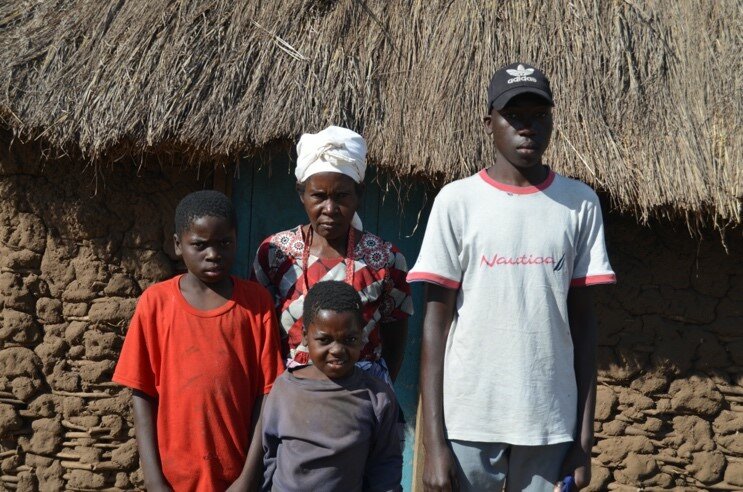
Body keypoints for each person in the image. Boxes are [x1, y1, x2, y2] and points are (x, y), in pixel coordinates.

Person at [408, 62, 616, 491]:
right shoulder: (457, 202)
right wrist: (434, 442)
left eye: (539, 117)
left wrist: (583, 440)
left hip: (549, 420)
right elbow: (434, 322)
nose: (528, 128)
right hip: (469, 417)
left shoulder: (579, 204)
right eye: (514, 116)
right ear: (489, 123)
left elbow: (583, 323)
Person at [113, 190, 284, 492]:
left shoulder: (256, 304)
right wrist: (154, 480)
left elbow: (267, 396)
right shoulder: (156, 303)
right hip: (174, 477)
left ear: (236, 240)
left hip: (236, 475)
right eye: (200, 245)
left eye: (224, 243)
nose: (213, 254)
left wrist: (248, 478)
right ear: (178, 245)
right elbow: (141, 395)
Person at [252, 125, 413, 387]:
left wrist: (375, 391)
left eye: (341, 196)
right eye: (318, 196)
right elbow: (260, 333)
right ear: (301, 194)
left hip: (362, 397)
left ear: (359, 194)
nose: (330, 209)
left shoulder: (385, 259)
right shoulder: (275, 252)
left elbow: (395, 340)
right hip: (291, 396)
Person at [262, 280, 402, 491]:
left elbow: (385, 467)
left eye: (349, 339)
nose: (337, 350)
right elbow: (270, 455)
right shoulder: (285, 389)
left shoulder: (377, 396)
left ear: (362, 337)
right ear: (306, 337)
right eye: (325, 340)